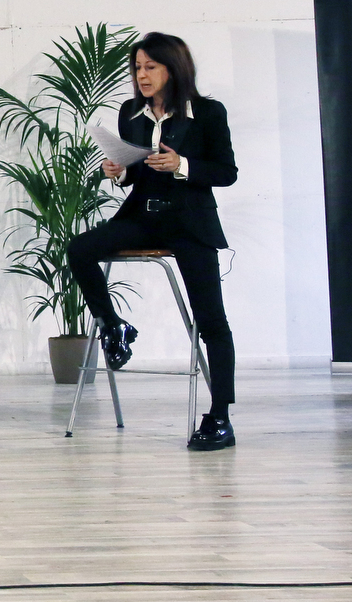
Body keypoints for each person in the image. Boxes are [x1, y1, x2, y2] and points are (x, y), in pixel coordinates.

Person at [67, 31, 239, 451]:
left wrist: (183, 165)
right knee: (79, 249)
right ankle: (114, 326)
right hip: (143, 217)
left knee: (211, 321)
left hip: (190, 222)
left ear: (173, 69)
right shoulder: (131, 112)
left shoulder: (208, 112)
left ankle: (220, 417)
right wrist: (120, 171)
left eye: (150, 67)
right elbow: (136, 172)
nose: (141, 75)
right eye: (137, 68)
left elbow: (226, 172)